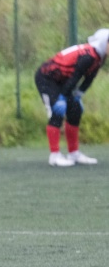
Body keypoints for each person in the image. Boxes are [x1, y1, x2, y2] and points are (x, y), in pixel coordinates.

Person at [35, 28, 109, 167]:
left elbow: (90, 77)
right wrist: (62, 97)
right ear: (103, 42)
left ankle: (73, 153)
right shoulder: (89, 56)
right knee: (57, 111)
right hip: (47, 78)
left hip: (62, 81)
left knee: (75, 110)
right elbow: (75, 77)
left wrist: (79, 94)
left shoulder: (99, 56)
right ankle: (54, 155)